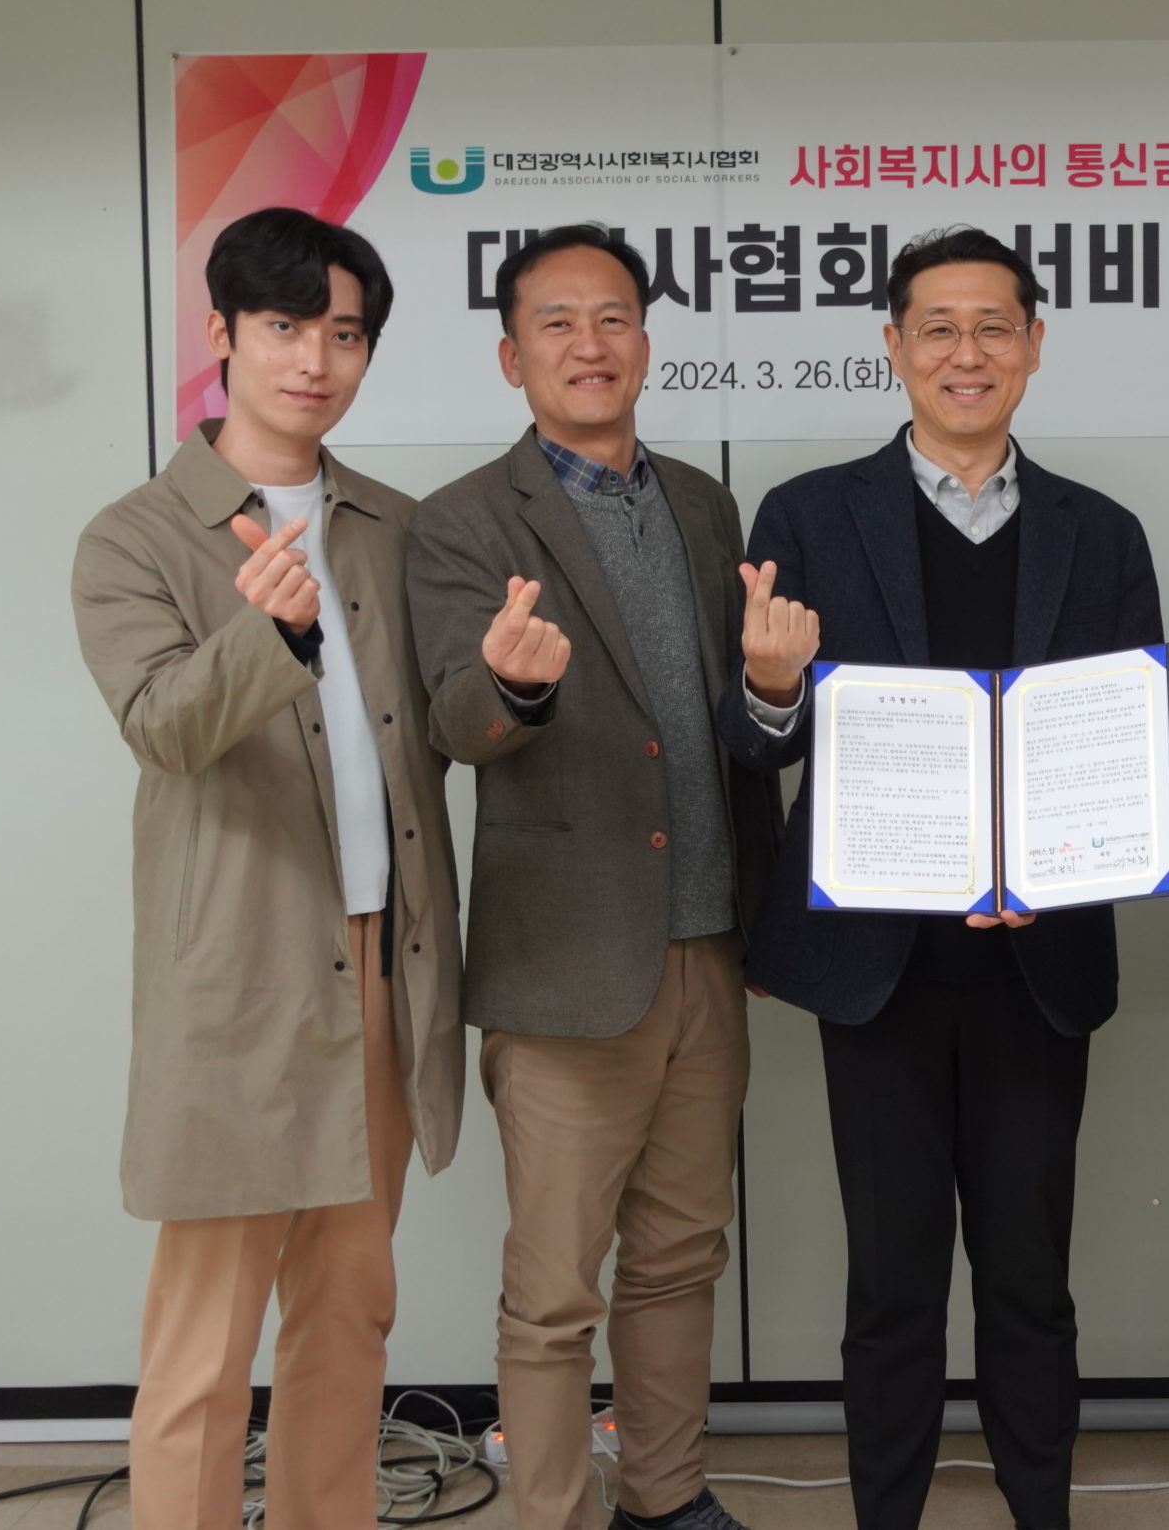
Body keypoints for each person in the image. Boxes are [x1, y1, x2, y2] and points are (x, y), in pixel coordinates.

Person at [711, 226, 1160, 1530]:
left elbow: (1130, 747)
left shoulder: (1101, 533)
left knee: (1029, 1279)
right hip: (878, 968)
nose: (968, 352)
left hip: (1039, 958)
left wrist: (1062, 859)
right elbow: (751, 741)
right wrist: (773, 683)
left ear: (1033, 344)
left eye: (993, 326)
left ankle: (1041, 1511)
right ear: (895, 345)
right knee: (892, 1283)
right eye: (939, 327)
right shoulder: (807, 515)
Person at [71, 207, 463, 1530]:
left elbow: (444, 728)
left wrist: (512, 691)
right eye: (286, 326)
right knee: (205, 1337)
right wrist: (267, 632)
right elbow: (164, 728)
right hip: (242, 972)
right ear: (222, 333)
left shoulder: (396, 528)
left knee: (350, 1309)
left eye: (344, 334)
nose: (314, 359)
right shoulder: (137, 536)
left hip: (386, 961)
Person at [406, 225, 780, 1530]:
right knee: (555, 1287)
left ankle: (667, 1496)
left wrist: (776, 696)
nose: (589, 343)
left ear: (646, 342)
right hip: (567, 966)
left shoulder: (701, 504)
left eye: (612, 317)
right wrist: (510, 684)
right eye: (556, 323)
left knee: (681, 1255)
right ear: (511, 356)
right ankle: (556, 1511)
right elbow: (454, 720)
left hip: (708, 948)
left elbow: (733, 715)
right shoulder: (461, 520)